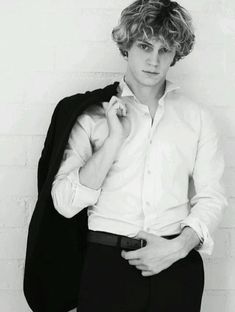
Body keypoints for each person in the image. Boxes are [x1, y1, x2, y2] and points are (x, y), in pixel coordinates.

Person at [48, 0, 227, 311]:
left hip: (176, 267)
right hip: (107, 268)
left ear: (176, 54)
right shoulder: (91, 115)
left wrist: (177, 248)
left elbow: (212, 197)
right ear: (126, 45)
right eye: (145, 45)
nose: (154, 60)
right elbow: (64, 204)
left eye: (165, 50)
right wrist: (114, 141)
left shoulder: (196, 118)